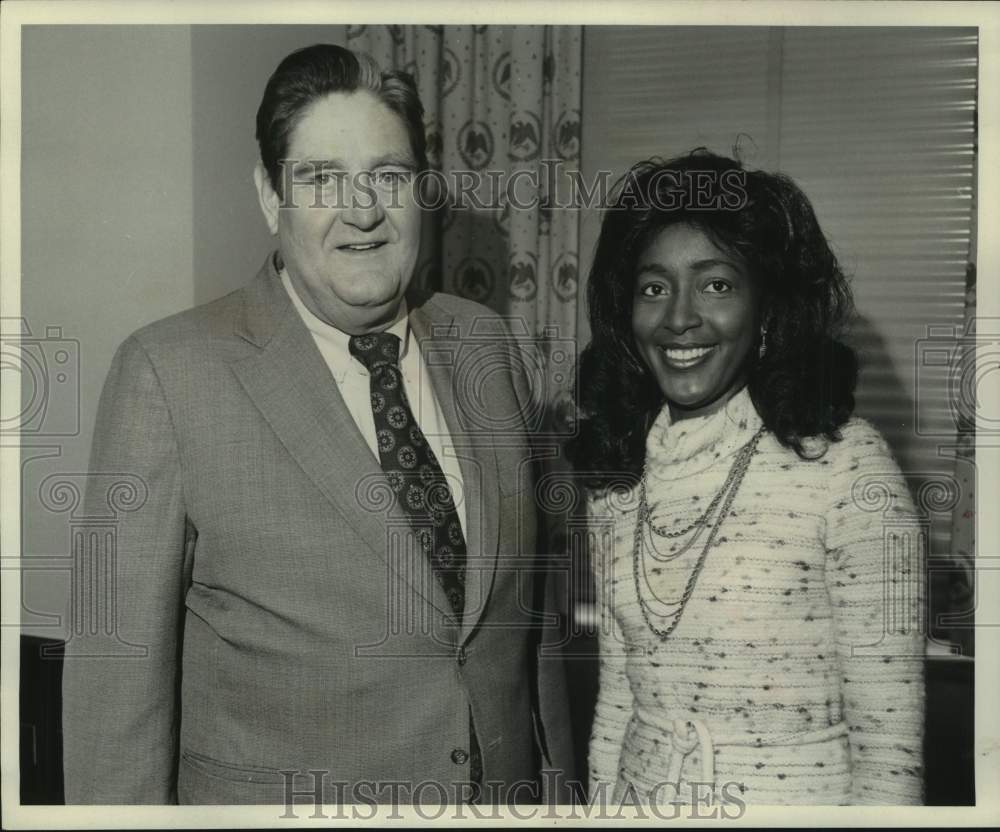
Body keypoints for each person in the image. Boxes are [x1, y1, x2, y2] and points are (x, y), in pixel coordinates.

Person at [62, 43, 571, 806]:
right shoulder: (168, 375)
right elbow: (115, 695)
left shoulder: (487, 348)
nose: (362, 211)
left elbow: (528, 626)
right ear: (272, 196)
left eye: (388, 175)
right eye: (322, 178)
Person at [568, 150, 925, 806]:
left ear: (767, 308)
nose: (680, 317)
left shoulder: (848, 469)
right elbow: (618, 702)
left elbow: (889, 753)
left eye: (715, 285)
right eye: (654, 288)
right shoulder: (617, 479)